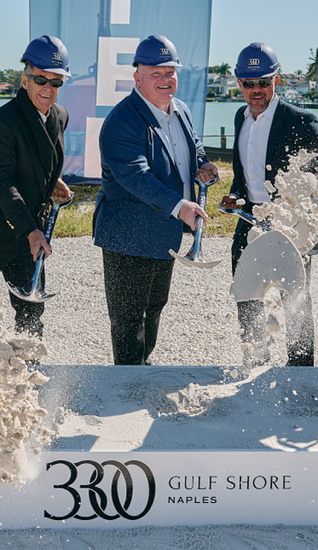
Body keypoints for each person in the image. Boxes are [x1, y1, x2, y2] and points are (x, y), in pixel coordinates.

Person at [94, 35, 218, 365]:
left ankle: (142, 368)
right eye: (156, 74)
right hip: (129, 236)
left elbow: (193, 146)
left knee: (155, 306)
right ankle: (127, 380)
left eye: (170, 72)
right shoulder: (122, 120)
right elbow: (135, 176)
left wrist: (203, 164)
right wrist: (180, 207)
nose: (165, 80)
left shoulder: (182, 110)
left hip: (164, 233)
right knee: (128, 318)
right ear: (138, 77)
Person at [0, 36, 74, 336]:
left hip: (28, 234)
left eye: (56, 82)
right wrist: (31, 231)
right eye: (41, 80)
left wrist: (51, 181)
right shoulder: (2, 121)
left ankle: (28, 364)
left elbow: (39, 158)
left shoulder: (60, 117)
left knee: (31, 316)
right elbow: (1, 182)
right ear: (25, 80)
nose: (48, 88)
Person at [218, 42, 318, 366]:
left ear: (276, 80)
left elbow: (312, 183)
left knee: (296, 301)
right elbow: (244, 174)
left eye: (263, 82)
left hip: (290, 225)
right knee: (246, 296)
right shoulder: (240, 118)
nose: (256, 90)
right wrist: (236, 196)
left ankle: (301, 370)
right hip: (249, 219)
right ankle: (254, 361)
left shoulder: (302, 122)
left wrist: (292, 218)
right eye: (249, 83)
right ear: (239, 82)